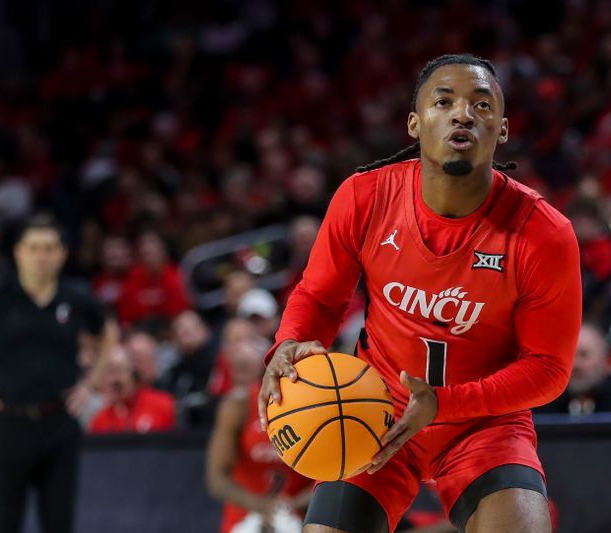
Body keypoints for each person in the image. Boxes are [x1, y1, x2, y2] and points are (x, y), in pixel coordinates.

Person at [257, 54, 582, 533]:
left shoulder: (543, 233)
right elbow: (320, 297)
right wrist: (287, 345)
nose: (463, 113)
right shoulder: (363, 197)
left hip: (483, 425)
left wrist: (446, 405)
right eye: (443, 101)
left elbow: (549, 369)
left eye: (481, 104)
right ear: (415, 123)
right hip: (371, 411)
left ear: (503, 129)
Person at [0, 214, 118, 533]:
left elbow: (108, 332)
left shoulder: (74, 299)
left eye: (49, 248)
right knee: (2, 522)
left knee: (59, 522)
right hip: (7, 422)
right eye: (33, 248)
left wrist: (90, 383)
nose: (41, 255)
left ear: (62, 254)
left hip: (59, 422)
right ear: (19, 252)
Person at [206, 334, 312, 533]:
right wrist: (260, 505)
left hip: (300, 517)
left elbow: (334, 477)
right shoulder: (239, 405)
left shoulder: (315, 408)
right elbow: (217, 478)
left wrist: (294, 504)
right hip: (245, 518)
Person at [534, 323, 611, 415]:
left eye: (584, 355)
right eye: (571, 356)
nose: (576, 364)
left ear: (604, 360)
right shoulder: (544, 404)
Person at [89, 345, 175, 434]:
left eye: (118, 370)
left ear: (133, 373)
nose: (114, 380)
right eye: (108, 373)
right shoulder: (99, 421)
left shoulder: (163, 404)